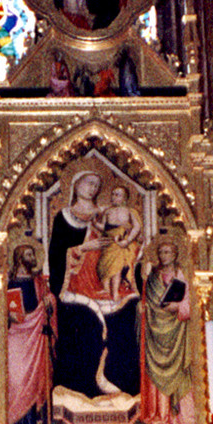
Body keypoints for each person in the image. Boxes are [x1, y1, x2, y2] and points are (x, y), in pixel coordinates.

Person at [47, 171, 140, 399]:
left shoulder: (104, 214)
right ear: (76, 184)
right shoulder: (64, 216)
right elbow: (56, 254)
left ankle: (118, 383)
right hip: (76, 285)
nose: (92, 187)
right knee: (83, 327)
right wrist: (85, 248)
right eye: (88, 182)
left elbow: (126, 242)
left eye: (97, 184)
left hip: (105, 279)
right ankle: (79, 387)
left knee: (126, 314)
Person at [139, 238, 197, 424]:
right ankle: (160, 413)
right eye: (161, 252)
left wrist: (178, 307)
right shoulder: (153, 278)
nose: (164, 256)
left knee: (180, 373)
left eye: (168, 252)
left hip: (177, 334)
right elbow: (147, 302)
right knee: (155, 372)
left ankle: (179, 417)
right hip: (156, 334)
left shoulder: (182, 275)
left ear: (175, 255)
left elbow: (192, 304)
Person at [4, 243, 55, 424]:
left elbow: (48, 307)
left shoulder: (39, 282)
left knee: (33, 381)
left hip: (35, 338)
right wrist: (7, 315)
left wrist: (50, 301)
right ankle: (15, 422)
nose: (32, 257)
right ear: (19, 258)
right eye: (28, 254)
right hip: (15, 338)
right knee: (16, 380)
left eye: (33, 254)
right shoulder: (7, 283)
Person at [96, 186, 142, 301]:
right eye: (113, 194)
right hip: (109, 241)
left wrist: (127, 240)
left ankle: (115, 292)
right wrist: (94, 222)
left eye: (118, 195)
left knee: (116, 266)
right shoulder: (107, 212)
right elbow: (103, 227)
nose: (114, 197)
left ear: (124, 198)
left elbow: (137, 227)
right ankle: (106, 289)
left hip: (122, 242)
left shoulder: (129, 211)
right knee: (103, 264)